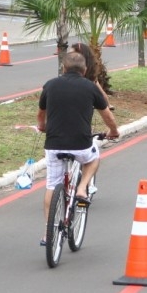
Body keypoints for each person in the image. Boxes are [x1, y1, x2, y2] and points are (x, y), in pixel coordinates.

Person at [37, 51, 119, 246]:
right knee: (93, 158)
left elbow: (41, 114)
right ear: (84, 70)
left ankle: (49, 232)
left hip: (54, 145)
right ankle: (82, 187)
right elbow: (107, 115)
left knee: (51, 185)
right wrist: (113, 131)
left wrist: (42, 127)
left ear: (63, 68)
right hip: (81, 144)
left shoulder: (50, 85)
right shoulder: (91, 87)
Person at [70, 42, 114, 110]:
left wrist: (108, 105)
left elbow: (101, 93)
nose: (69, 56)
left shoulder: (87, 71)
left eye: (72, 54)